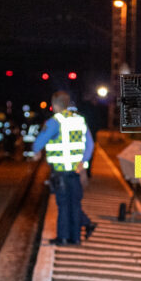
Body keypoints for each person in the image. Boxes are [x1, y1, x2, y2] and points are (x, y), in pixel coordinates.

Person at [32, 91, 95, 245]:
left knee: (63, 204)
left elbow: (39, 142)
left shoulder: (54, 122)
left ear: (54, 105)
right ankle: (76, 238)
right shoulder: (80, 120)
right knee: (75, 203)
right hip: (75, 171)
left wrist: (36, 151)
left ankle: (63, 237)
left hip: (60, 171)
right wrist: (83, 161)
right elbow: (90, 144)